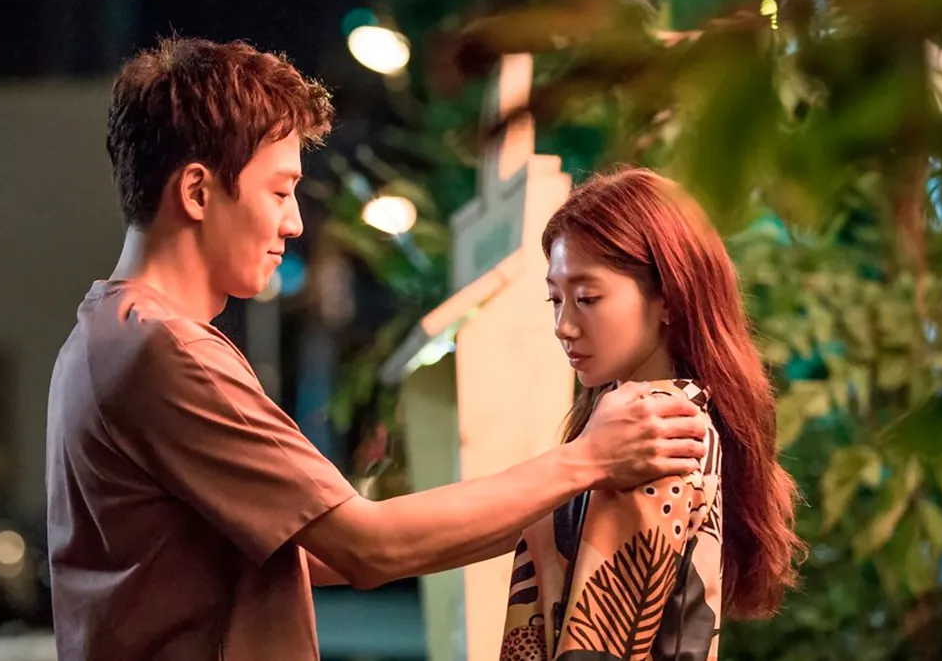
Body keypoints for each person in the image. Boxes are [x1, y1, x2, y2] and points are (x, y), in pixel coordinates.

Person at [44, 39, 710, 661]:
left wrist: (559, 502)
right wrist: (588, 459)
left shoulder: (102, 335)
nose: (294, 222)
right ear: (196, 191)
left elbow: (305, 553)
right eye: (280, 190)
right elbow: (366, 545)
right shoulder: (171, 351)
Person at [499, 169, 805, 661]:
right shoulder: (635, 423)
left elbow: (598, 646)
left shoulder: (654, 432)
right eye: (555, 299)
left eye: (587, 298)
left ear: (668, 298)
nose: (563, 325)